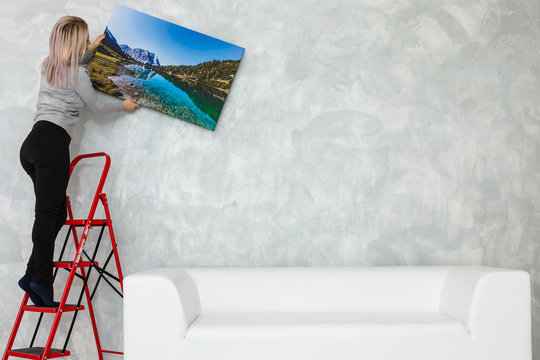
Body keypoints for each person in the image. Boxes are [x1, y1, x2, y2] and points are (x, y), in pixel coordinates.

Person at [17, 16, 139, 307]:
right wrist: (123, 105)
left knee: (55, 214)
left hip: (33, 143)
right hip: (52, 144)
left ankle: (31, 274)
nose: (88, 43)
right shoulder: (78, 74)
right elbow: (95, 105)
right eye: (85, 40)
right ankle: (43, 281)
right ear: (75, 44)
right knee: (47, 215)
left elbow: (74, 63)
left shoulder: (50, 64)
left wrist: (92, 50)